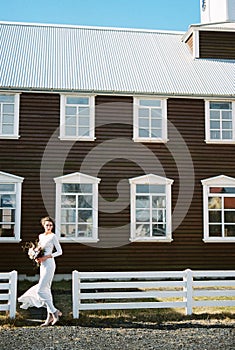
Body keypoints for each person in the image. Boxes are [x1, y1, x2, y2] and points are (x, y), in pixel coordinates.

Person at [18, 216, 63, 326]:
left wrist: (46, 257)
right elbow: (39, 249)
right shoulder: (41, 236)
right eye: (47, 225)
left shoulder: (53, 236)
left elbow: (60, 252)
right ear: (43, 225)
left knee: (40, 290)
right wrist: (35, 255)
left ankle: (54, 311)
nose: (49, 227)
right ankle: (49, 318)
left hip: (49, 264)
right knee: (46, 290)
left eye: (51, 225)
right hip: (42, 265)